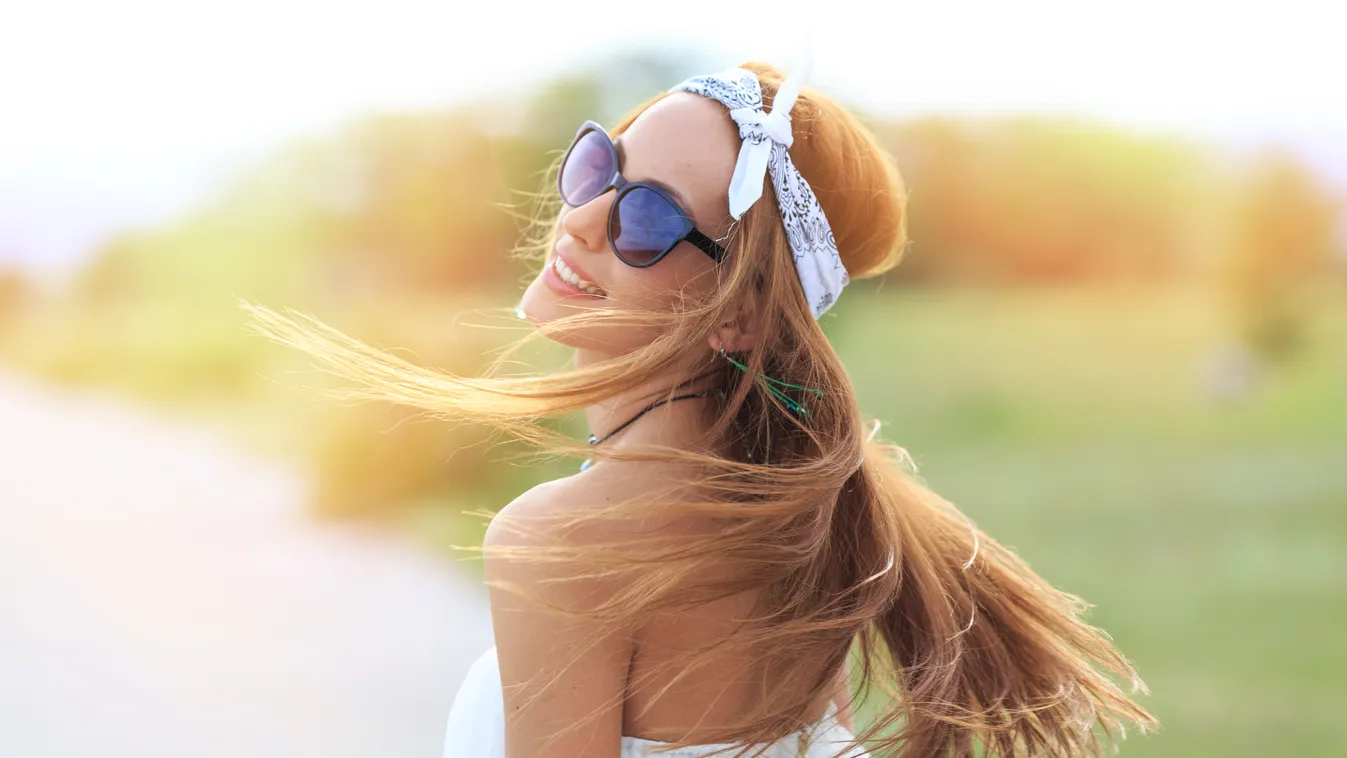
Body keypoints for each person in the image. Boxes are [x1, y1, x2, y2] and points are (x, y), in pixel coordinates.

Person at [244, 57, 1158, 758]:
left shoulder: (564, 544)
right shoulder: (798, 515)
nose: (584, 219)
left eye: (646, 220)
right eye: (600, 166)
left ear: (744, 316)